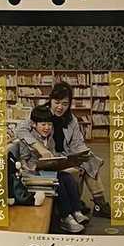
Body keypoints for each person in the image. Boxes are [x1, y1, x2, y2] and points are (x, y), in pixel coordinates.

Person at [14, 105, 87, 233]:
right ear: (33, 124)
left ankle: (76, 211)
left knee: (68, 178)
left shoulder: (50, 136)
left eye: (49, 124)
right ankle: (65, 217)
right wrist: (30, 167)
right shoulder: (28, 139)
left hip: (48, 171)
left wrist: (61, 160)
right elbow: (24, 160)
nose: (47, 128)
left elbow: (52, 153)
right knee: (59, 182)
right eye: (43, 124)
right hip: (33, 175)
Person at [47, 81, 109, 217]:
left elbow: (77, 142)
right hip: (50, 157)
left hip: (66, 154)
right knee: (82, 167)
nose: (60, 107)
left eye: (65, 104)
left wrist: (84, 153)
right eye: (57, 102)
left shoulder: (71, 119)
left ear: (69, 104)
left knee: (88, 160)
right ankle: (90, 204)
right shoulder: (42, 114)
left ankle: (100, 203)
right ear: (50, 100)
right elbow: (23, 130)